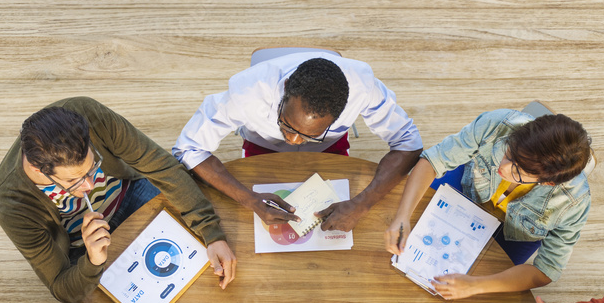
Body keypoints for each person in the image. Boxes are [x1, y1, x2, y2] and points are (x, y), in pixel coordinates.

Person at [0, 97, 237, 303]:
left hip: (131, 193)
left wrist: (211, 232)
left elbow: (161, 167)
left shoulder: (87, 114)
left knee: (203, 259)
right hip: (82, 247)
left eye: (92, 168)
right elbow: (63, 288)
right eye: (75, 181)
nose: (90, 185)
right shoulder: (12, 203)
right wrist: (92, 260)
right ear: (37, 169)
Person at [173, 53, 422, 232]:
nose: (293, 141)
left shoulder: (363, 88)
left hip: (329, 149)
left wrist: (362, 203)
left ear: (343, 112)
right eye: (287, 124)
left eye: (309, 134)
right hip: (262, 148)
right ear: (286, 87)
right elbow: (188, 148)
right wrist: (249, 199)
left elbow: (409, 142)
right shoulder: (247, 92)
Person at [385, 109, 592, 296]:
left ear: (547, 183)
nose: (503, 167)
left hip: (512, 235)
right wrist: (402, 215)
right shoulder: (499, 124)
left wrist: (475, 286)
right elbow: (433, 160)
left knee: (482, 284)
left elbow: (546, 270)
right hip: (468, 186)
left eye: (518, 171)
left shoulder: (574, 204)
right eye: (509, 152)